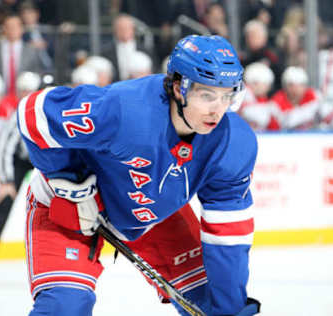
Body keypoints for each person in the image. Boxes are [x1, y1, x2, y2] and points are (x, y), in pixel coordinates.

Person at [18, 35, 260, 316]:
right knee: (66, 307)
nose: (218, 109)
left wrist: (228, 310)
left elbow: (228, 237)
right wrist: (71, 181)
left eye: (227, 95)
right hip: (65, 208)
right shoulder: (125, 109)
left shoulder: (234, 144)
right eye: (207, 95)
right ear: (179, 87)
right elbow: (34, 114)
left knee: (213, 302)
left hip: (153, 215)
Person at [0, 71, 42, 270]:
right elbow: (3, 148)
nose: (26, 95)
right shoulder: (17, 117)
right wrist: (6, 180)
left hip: (42, 160)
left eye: (29, 91)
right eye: (22, 91)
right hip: (20, 160)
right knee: (3, 202)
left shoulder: (44, 111)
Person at [271, 66, 333, 130]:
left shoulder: (314, 96)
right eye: (291, 85)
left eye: (300, 85)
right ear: (285, 86)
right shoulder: (276, 102)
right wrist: (313, 108)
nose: (296, 89)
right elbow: (286, 123)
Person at [237, 62, 280, 131]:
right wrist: (269, 109)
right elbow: (261, 118)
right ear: (255, 83)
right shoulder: (243, 93)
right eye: (266, 84)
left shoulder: (260, 98)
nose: (268, 88)